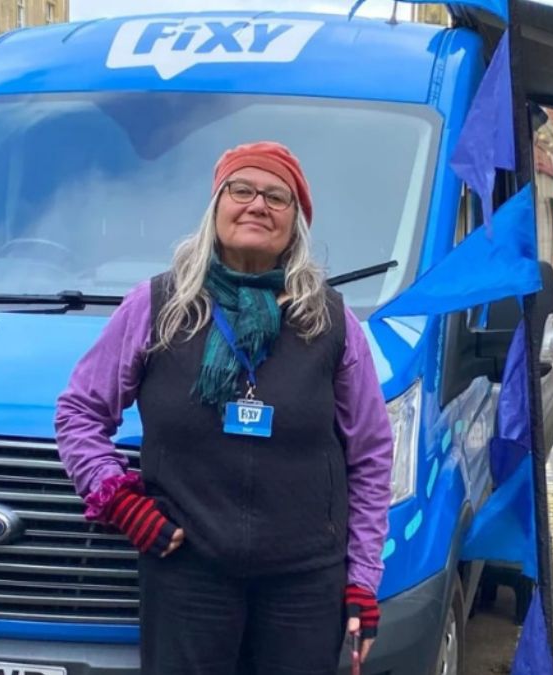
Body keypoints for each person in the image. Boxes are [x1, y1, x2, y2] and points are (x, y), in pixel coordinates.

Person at [55, 141, 394, 675]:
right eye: (242, 190)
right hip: (187, 574)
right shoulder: (158, 306)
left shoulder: (331, 321)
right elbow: (79, 413)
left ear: (296, 223)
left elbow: (371, 454)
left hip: (305, 583)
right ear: (216, 206)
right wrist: (118, 499)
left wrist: (362, 580)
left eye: (277, 197)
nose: (257, 205)